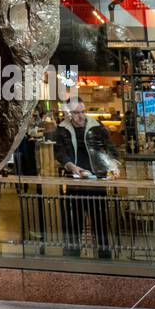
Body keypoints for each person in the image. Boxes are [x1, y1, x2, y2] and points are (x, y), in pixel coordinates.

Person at [54, 98, 120, 259]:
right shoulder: (62, 129)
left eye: (83, 111)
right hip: (74, 180)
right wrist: (71, 166)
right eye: (76, 113)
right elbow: (59, 152)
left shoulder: (96, 126)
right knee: (74, 220)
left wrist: (114, 164)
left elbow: (110, 147)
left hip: (97, 179)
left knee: (100, 218)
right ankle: (73, 254)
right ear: (68, 114)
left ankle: (104, 254)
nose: (80, 116)